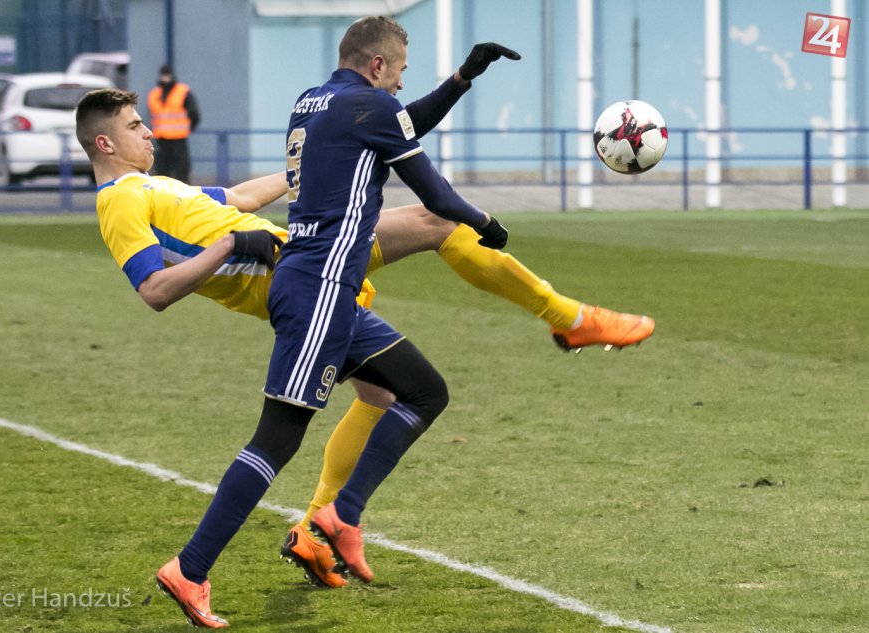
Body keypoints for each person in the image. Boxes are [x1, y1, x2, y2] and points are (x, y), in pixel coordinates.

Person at [75, 43, 653, 629]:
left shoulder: (159, 186)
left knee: (397, 388)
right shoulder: (119, 200)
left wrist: (307, 168)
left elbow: (240, 199)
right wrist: (231, 245)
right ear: (105, 143)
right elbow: (155, 290)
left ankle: (319, 526)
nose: (149, 131)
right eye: (135, 126)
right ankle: (196, 566)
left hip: (314, 258)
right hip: (304, 280)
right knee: (279, 437)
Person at [148, 64, 200, 181]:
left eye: (167, 75)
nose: (165, 78)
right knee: (161, 170)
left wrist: (190, 128)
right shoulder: (155, 94)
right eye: (163, 76)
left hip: (178, 138)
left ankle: (183, 189)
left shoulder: (183, 92)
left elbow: (194, 113)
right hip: (161, 139)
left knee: (181, 170)